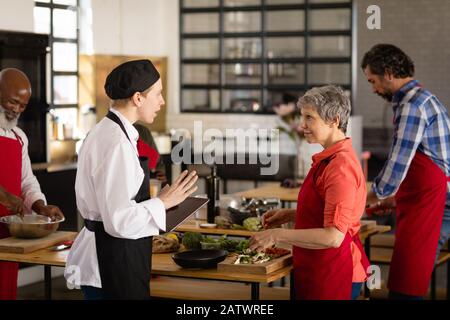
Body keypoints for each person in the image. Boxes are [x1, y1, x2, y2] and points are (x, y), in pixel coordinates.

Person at [64, 60, 198, 300]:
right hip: (111, 262)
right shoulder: (116, 143)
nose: (162, 101)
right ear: (138, 98)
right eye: (157, 94)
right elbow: (120, 221)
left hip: (113, 258)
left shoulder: (107, 131)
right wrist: (164, 202)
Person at [250, 85, 370, 300]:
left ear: (333, 120)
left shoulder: (340, 168)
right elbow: (330, 212)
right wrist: (293, 215)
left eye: (309, 118)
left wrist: (277, 234)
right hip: (315, 266)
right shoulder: (330, 158)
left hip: (332, 271)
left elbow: (333, 236)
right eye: (301, 116)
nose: (302, 124)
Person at [362, 44, 450, 299]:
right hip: (430, 196)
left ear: (388, 72)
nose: (373, 89)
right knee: (410, 272)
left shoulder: (412, 105)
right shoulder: (423, 98)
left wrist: (370, 196)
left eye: (373, 80)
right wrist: (394, 198)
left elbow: (398, 162)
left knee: (407, 277)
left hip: (435, 200)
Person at [0, 68, 64, 300]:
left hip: (8, 233)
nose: (16, 110)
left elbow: (27, 181)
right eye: (12, 102)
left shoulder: (19, 137)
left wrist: (39, 207)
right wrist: (4, 196)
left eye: (23, 105)